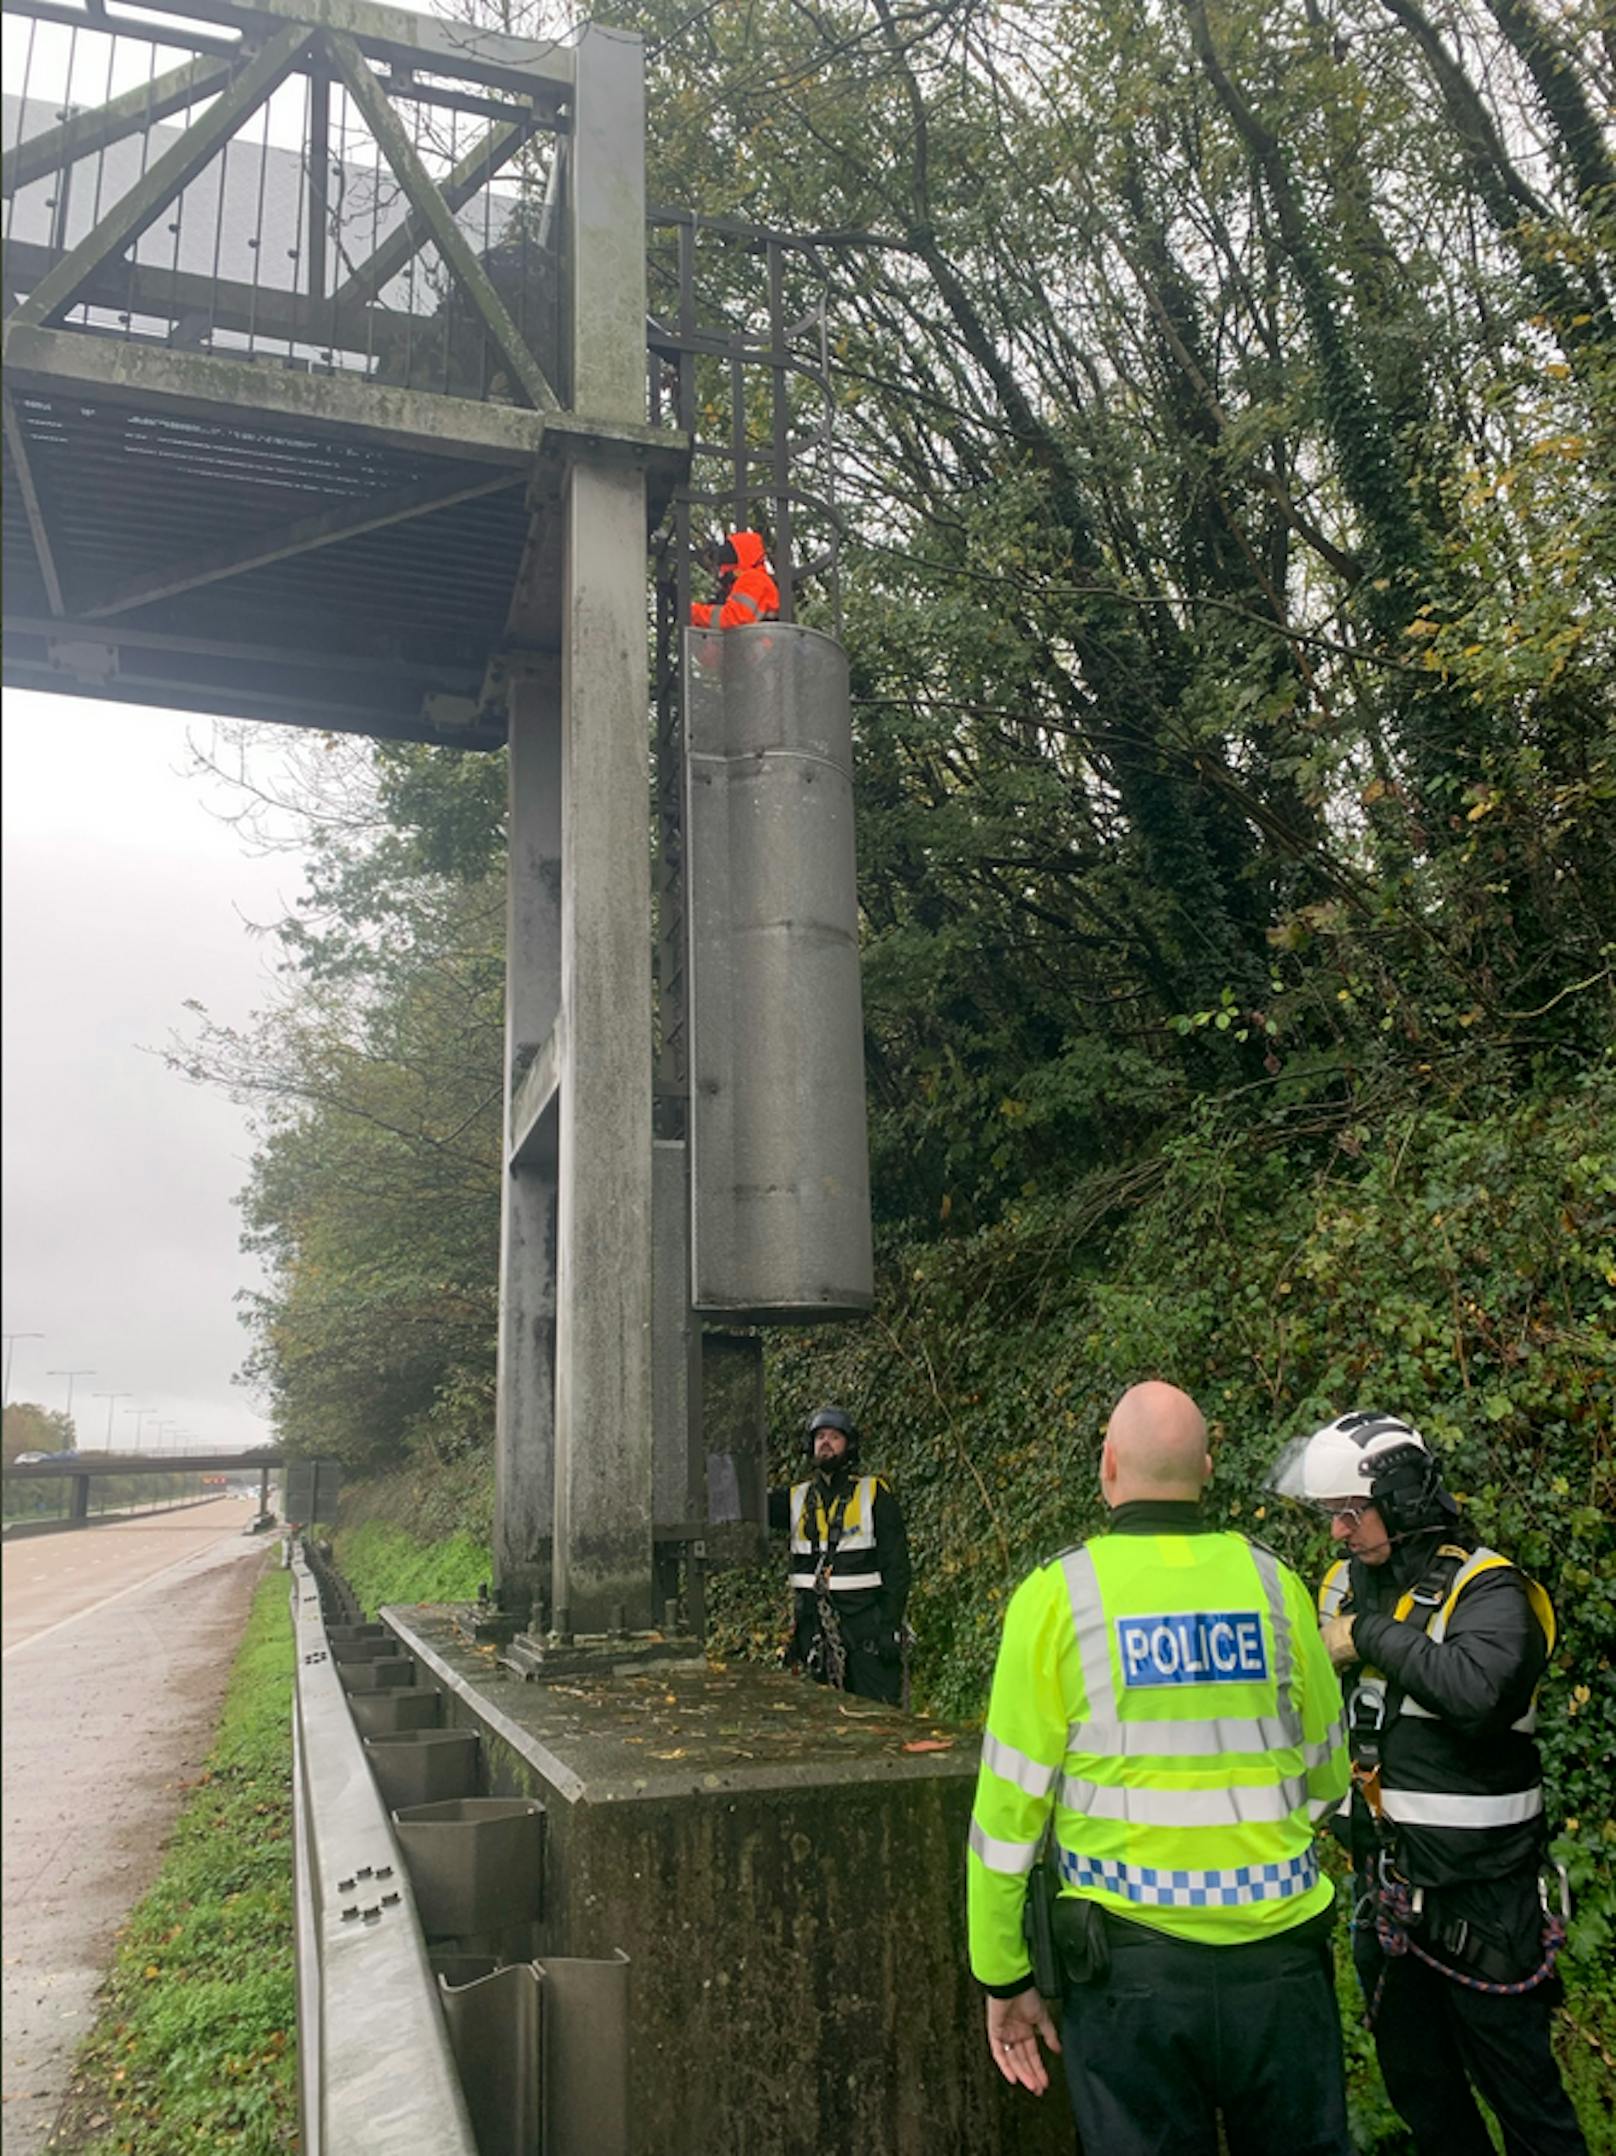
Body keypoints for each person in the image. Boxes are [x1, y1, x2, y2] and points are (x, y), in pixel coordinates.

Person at [968, 1381, 1351, 2156]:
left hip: (1127, 1978)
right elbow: (1328, 1780)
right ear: (1207, 1468)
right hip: (1281, 1973)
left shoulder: (1055, 1598)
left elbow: (1008, 1822)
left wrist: (1004, 1976)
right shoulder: (1276, 1586)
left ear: (1107, 1468)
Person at [1270, 1410, 1586, 2156]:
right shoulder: (1340, 1585)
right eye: (1329, 1516)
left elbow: (1479, 1693)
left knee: (1529, 2107)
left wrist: (1371, 1634)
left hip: (1485, 1904)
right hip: (1387, 1896)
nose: (1339, 1533)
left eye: (1350, 1512)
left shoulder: (1491, 1590)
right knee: (1426, 2099)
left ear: (1404, 1501)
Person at [767, 1405, 910, 1705]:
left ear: (849, 1445)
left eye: (834, 1436)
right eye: (820, 1436)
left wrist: (890, 1626)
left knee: (877, 1714)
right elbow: (740, 1503)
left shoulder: (873, 1495)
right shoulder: (797, 1499)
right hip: (813, 1626)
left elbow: (896, 1566)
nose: (826, 1442)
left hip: (865, 1626)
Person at [691, 530, 779, 629]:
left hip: (757, 643)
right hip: (754, 642)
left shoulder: (753, 578)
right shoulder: (748, 581)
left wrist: (692, 612)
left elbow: (734, 619)